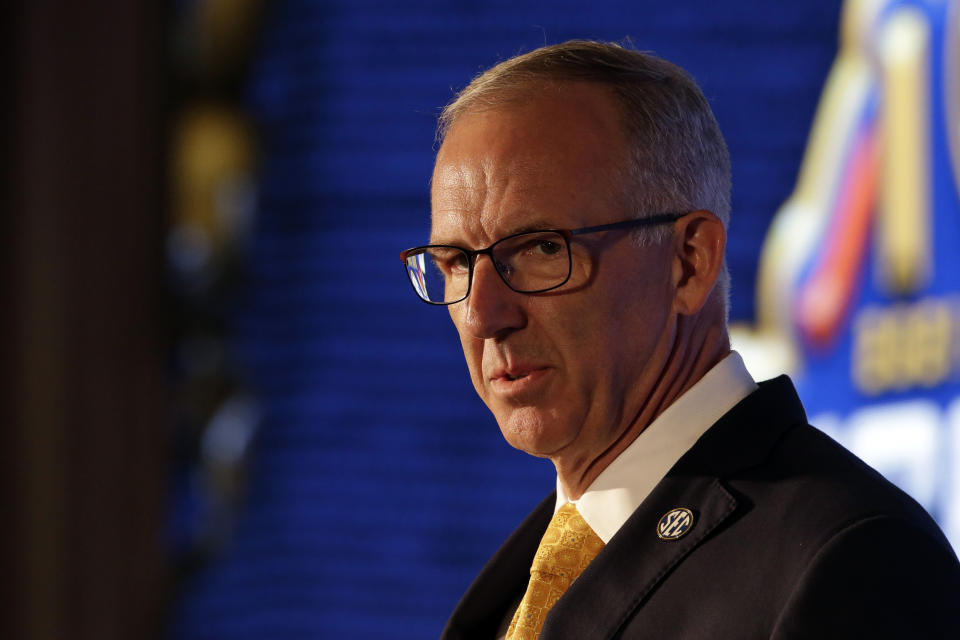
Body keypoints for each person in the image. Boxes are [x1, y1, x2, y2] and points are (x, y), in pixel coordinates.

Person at [400, 40, 960, 639]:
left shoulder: (855, 561)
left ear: (689, 262)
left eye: (540, 249)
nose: (484, 314)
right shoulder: (519, 584)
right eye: (456, 261)